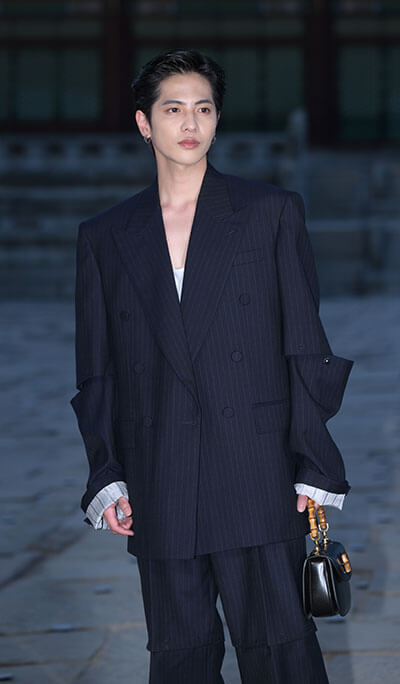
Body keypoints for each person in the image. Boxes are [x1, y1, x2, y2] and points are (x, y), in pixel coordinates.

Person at [70, 48, 353, 684]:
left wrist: (314, 462)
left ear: (218, 120)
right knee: (180, 655)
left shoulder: (269, 212)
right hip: (159, 471)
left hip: (256, 467)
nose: (190, 123)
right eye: (173, 109)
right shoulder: (107, 235)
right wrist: (106, 473)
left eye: (203, 108)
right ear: (145, 123)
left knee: (281, 646)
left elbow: (305, 344)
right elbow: (97, 369)